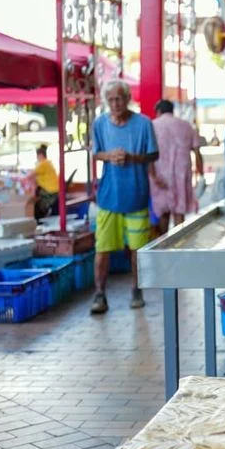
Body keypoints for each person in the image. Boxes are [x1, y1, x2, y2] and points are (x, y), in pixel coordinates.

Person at [90, 79, 159, 314]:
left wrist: (131, 158)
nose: (115, 103)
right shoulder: (99, 124)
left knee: (137, 251)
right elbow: (96, 153)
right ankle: (100, 294)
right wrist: (109, 156)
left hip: (136, 195)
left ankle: (136, 290)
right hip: (108, 197)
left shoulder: (143, 123)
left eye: (119, 98)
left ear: (128, 99)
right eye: (110, 99)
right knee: (102, 249)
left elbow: (153, 154)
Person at [149, 99, 203, 234]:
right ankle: (179, 246)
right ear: (172, 110)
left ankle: (163, 246)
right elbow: (197, 152)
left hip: (159, 175)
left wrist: (153, 176)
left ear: (158, 111)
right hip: (181, 174)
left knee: (163, 212)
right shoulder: (186, 126)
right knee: (179, 211)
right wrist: (201, 173)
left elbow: (147, 153)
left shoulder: (152, 125)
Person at [29, 144, 59, 219]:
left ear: (41, 155)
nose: (37, 158)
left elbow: (30, 176)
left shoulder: (43, 164)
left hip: (50, 192)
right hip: (53, 190)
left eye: (37, 156)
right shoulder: (48, 163)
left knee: (36, 204)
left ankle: (39, 220)